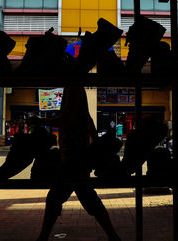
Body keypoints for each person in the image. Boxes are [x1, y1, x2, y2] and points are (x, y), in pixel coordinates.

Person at [35, 86, 121, 241]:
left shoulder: (72, 88)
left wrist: (40, 121)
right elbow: (88, 119)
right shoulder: (76, 88)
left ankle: (43, 238)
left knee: (57, 197)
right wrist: (95, 145)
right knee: (85, 196)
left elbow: (66, 119)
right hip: (77, 155)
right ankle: (113, 236)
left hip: (74, 155)